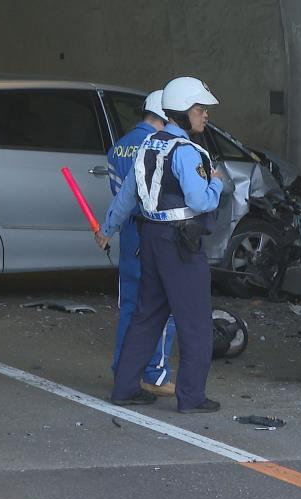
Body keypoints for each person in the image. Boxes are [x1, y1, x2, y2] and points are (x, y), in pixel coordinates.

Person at [96, 76, 234, 412]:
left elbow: (128, 196)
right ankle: (191, 397)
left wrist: (106, 228)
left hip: (151, 239)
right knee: (195, 320)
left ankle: (125, 387)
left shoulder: (148, 145)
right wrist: (217, 185)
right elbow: (200, 201)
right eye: (200, 109)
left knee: (147, 315)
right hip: (181, 243)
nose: (205, 115)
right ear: (183, 112)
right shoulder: (187, 152)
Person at [105, 90, 177, 397]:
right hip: (153, 231)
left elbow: (119, 195)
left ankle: (124, 369)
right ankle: (154, 373)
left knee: (130, 306)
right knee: (162, 306)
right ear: (165, 117)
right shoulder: (157, 146)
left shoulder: (117, 148)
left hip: (128, 233)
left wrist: (110, 226)